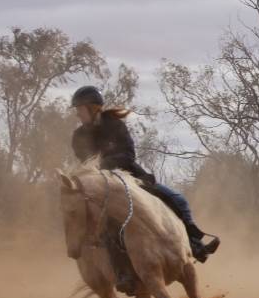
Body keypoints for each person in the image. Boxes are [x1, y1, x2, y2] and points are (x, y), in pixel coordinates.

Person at [69, 85, 219, 263]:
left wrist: (104, 164)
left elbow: (128, 154)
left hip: (131, 176)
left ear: (93, 108)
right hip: (102, 187)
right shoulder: (78, 136)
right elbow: (86, 164)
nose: (77, 113)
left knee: (177, 199)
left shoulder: (115, 125)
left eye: (80, 108)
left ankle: (195, 244)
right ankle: (117, 269)